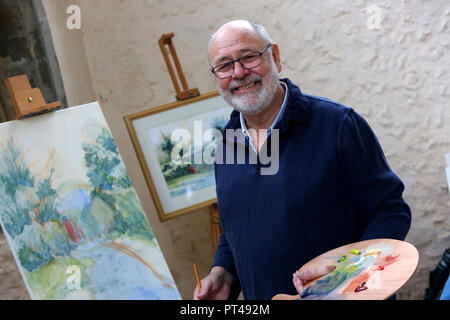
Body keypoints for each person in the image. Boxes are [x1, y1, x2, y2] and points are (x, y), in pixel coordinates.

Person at [194, 20, 411, 300]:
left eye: (249, 57)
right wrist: (223, 274)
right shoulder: (226, 145)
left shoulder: (338, 125)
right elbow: (235, 229)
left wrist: (346, 269)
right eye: (224, 65)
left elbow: (390, 212)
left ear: (275, 57)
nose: (238, 72)